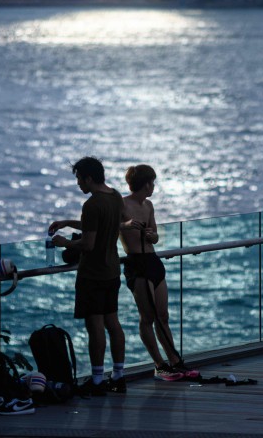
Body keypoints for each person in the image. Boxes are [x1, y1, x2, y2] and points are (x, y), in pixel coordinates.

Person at [48, 157, 127, 395]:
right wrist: (67, 222)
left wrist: (64, 242)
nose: (78, 184)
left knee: (95, 327)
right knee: (113, 324)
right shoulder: (115, 197)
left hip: (92, 274)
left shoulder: (91, 204)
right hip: (112, 270)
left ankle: (96, 380)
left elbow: (89, 243)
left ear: (88, 178)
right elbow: (100, 226)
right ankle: (119, 376)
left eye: (79, 179)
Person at [120, 164, 197, 380]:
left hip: (153, 261)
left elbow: (154, 233)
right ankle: (159, 364)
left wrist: (152, 236)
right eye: (152, 182)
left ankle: (175, 361)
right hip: (136, 264)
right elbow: (110, 226)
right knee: (147, 317)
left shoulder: (149, 205)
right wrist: (125, 225)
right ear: (146, 184)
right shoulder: (122, 204)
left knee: (163, 316)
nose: (153, 187)